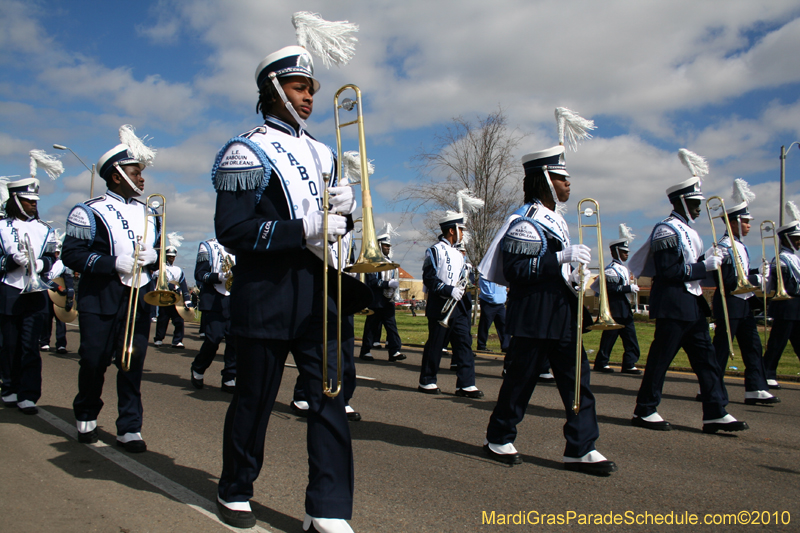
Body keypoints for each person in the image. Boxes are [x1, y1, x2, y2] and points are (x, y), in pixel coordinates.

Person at [211, 23, 370, 531]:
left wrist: (347, 211)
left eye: (311, 89)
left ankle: (326, 507)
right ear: (274, 89)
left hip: (321, 291)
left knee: (330, 397)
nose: (309, 98)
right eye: (301, 88)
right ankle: (236, 485)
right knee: (255, 398)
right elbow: (233, 229)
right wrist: (302, 226)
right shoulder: (245, 150)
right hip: (268, 292)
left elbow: (333, 229)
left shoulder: (325, 154)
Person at [480, 107, 616, 475]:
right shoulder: (525, 222)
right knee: (520, 383)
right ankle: (499, 436)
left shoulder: (558, 221)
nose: (569, 184)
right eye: (561, 177)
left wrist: (575, 275)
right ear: (544, 179)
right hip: (534, 313)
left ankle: (581, 446)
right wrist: (560, 259)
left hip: (563, 313)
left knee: (578, 383)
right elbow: (517, 272)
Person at [628, 148, 748, 433]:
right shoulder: (666, 230)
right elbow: (669, 272)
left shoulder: (689, 231)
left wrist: (709, 266)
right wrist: (702, 267)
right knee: (661, 360)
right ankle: (645, 410)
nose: (698, 208)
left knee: (706, 360)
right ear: (681, 201)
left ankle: (715, 412)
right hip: (672, 302)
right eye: (694, 203)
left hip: (691, 304)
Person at [62, 126, 159, 451]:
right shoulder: (89, 209)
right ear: (116, 175)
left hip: (138, 297)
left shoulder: (150, 213)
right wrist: (112, 263)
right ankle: (87, 412)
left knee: (132, 363)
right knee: (94, 359)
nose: (142, 179)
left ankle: (129, 427)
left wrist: (155, 258)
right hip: (101, 297)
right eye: (136, 173)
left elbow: (154, 261)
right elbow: (71, 254)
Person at [0, 154, 61, 414]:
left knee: (30, 346)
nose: (33, 206)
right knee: (8, 344)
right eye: (27, 201)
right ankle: (10, 386)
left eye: (35, 201)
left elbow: (52, 257)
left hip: (35, 292)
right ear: (15, 200)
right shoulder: (1, 227)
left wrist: (39, 264)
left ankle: (28, 393)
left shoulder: (46, 229)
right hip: (9, 290)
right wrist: (11, 260)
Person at [709, 180, 778, 405]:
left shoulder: (740, 245)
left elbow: (742, 274)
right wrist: (756, 279)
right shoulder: (724, 246)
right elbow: (727, 280)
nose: (749, 226)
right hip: (730, 302)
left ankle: (755, 387)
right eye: (746, 222)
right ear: (735, 222)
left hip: (744, 302)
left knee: (753, 347)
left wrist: (759, 271)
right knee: (721, 349)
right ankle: (710, 387)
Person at [418, 191, 484, 399]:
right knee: (436, 345)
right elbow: (429, 278)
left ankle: (466, 384)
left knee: (464, 344)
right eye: (461, 229)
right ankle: (427, 380)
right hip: (441, 305)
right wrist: (448, 290)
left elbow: (466, 282)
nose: (464, 233)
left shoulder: (461, 254)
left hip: (460, 307)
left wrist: (469, 271)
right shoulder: (434, 250)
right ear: (452, 230)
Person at [591, 224, 641, 374]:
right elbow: (612, 290)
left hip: (624, 308)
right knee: (609, 338)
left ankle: (629, 363)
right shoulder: (611, 270)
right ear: (616, 252)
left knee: (630, 338)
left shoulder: (623, 269)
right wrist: (628, 288)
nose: (627, 254)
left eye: (627, 252)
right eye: (624, 252)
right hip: (615, 308)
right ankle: (601, 362)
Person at [189, 238, 236, 392]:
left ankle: (229, 376)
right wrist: (218, 277)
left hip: (235, 298)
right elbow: (199, 274)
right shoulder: (207, 245)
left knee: (234, 341)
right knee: (213, 339)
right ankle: (198, 367)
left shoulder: (240, 244)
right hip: (214, 299)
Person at [762, 201, 800, 389]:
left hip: (796, 307)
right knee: (778, 342)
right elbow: (783, 284)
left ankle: (767, 371)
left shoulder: (794, 258)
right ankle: (767, 372)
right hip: (786, 306)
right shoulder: (781, 259)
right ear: (786, 239)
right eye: (796, 238)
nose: (799, 241)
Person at [358, 225, 405, 362]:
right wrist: (387, 284)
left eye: (389, 246)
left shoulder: (389, 263)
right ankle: (365, 350)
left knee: (392, 326)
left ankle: (394, 351)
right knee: (371, 327)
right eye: (385, 245)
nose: (388, 248)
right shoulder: (372, 261)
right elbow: (372, 281)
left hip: (387, 300)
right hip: (375, 300)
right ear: (379, 245)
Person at [152, 234, 191, 349]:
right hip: (164, 297)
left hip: (176, 299)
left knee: (179, 320)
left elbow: (183, 285)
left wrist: (187, 300)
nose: (171, 258)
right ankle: (159, 338)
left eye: (173, 256)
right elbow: (158, 283)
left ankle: (177, 340)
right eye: (169, 256)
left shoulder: (178, 270)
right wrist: (171, 286)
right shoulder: (159, 269)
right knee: (163, 319)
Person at [41, 244, 74, 354]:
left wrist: (69, 294)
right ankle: (44, 341)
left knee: (60, 319)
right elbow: (42, 277)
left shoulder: (63, 264)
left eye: (57, 252)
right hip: (45, 292)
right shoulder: (44, 262)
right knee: (46, 317)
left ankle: (61, 344)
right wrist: (56, 286)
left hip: (59, 294)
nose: (55, 254)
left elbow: (68, 280)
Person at [476, 275, 509, 352]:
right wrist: (492, 297)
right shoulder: (485, 272)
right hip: (488, 302)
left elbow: (504, 285)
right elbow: (484, 285)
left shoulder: (500, 272)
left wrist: (503, 297)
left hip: (500, 303)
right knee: (485, 324)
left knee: (504, 324)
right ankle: (481, 346)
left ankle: (506, 346)